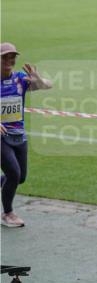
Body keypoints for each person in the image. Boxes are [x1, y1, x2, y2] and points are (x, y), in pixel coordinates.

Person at [1, 42, 52, 227]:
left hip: (19, 135)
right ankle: (8, 213)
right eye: (5, 57)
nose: (9, 60)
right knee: (13, 174)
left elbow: (48, 85)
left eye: (12, 56)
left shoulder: (20, 79)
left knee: (20, 177)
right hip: (1, 137)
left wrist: (38, 79)